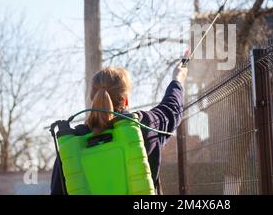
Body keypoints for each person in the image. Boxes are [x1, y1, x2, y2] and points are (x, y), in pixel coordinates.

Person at [50, 62, 188, 195]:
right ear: (126, 100)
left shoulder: (71, 144)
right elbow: (172, 108)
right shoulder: (144, 125)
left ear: (92, 99)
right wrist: (177, 79)